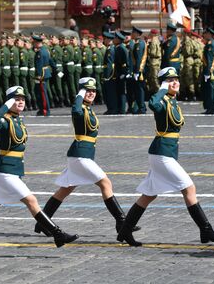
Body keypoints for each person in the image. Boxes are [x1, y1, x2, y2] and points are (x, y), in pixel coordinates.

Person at [117, 67, 214, 246]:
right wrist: (162, 89)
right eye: (170, 80)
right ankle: (206, 230)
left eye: (176, 79)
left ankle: (124, 231)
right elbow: (152, 104)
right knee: (189, 188)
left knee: (149, 195)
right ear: (163, 84)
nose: (175, 82)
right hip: (161, 154)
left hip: (166, 153)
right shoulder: (162, 101)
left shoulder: (173, 101)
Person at [0, 86, 78, 257]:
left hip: (12, 170)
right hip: (5, 171)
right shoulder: (4, 120)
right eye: (15, 99)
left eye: (22, 99)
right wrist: (6, 106)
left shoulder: (17, 119)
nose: (20, 102)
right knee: (31, 200)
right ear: (8, 101)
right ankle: (57, 234)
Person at [36, 78, 139, 237]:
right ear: (81, 92)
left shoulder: (88, 108)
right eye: (87, 90)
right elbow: (76, 112)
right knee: (105, 183)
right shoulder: (79, 108)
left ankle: (43, 222)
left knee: (66, 189)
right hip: (80, 156)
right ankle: (121, 222)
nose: (91, 93)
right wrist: (79, 95)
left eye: (93, 91)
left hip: (83, 155)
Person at [201, 28, 214, 115]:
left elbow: (210, 60)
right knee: (208, 90)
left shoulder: (210, 45)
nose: (204, 35)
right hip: (208, 70)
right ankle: (209, 107)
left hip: (209, 71)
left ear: (210, 35)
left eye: (206, 33)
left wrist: (208, 73)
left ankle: (211, 108)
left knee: (210, 90)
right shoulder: (209, 43)